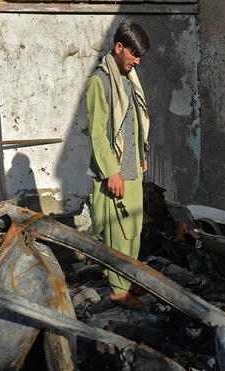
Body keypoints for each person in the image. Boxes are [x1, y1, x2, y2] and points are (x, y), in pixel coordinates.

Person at [85, 20, 151, 309]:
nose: (136, 61)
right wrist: (112, 171)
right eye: (133, 54)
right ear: (119, 47)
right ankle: (118, 290)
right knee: (117, 232)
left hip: (132, 167)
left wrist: (141, 155)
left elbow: (134, 122)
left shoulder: (128, 80)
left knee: (134, 228)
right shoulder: (99, 81)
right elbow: (98, 132)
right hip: (113, 170)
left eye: (139, 57)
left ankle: (127, 279)